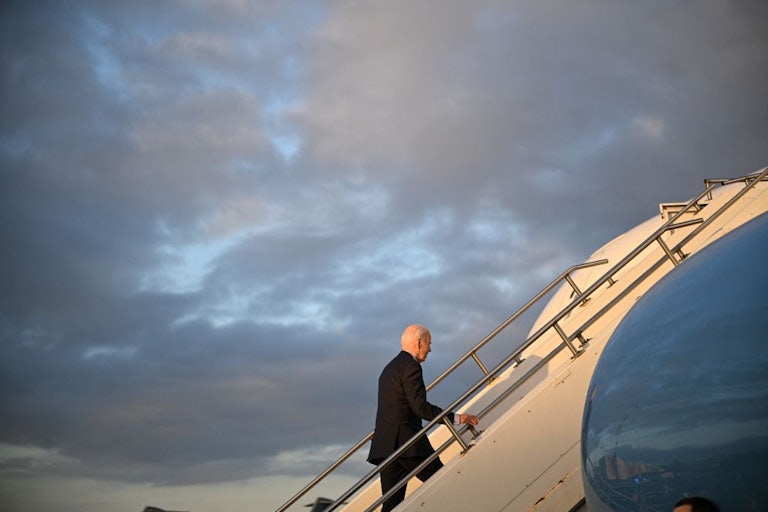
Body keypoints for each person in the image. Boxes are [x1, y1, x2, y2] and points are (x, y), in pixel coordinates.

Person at [367, 324, 479, 512]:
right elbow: (420, 407)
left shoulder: (389, 368)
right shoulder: (411, 367)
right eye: (429, 343)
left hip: (386, 446)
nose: (430, 349)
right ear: (419, 343)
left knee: (391, 506)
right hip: (408, 444)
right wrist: (457, 418)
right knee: (444, 483)